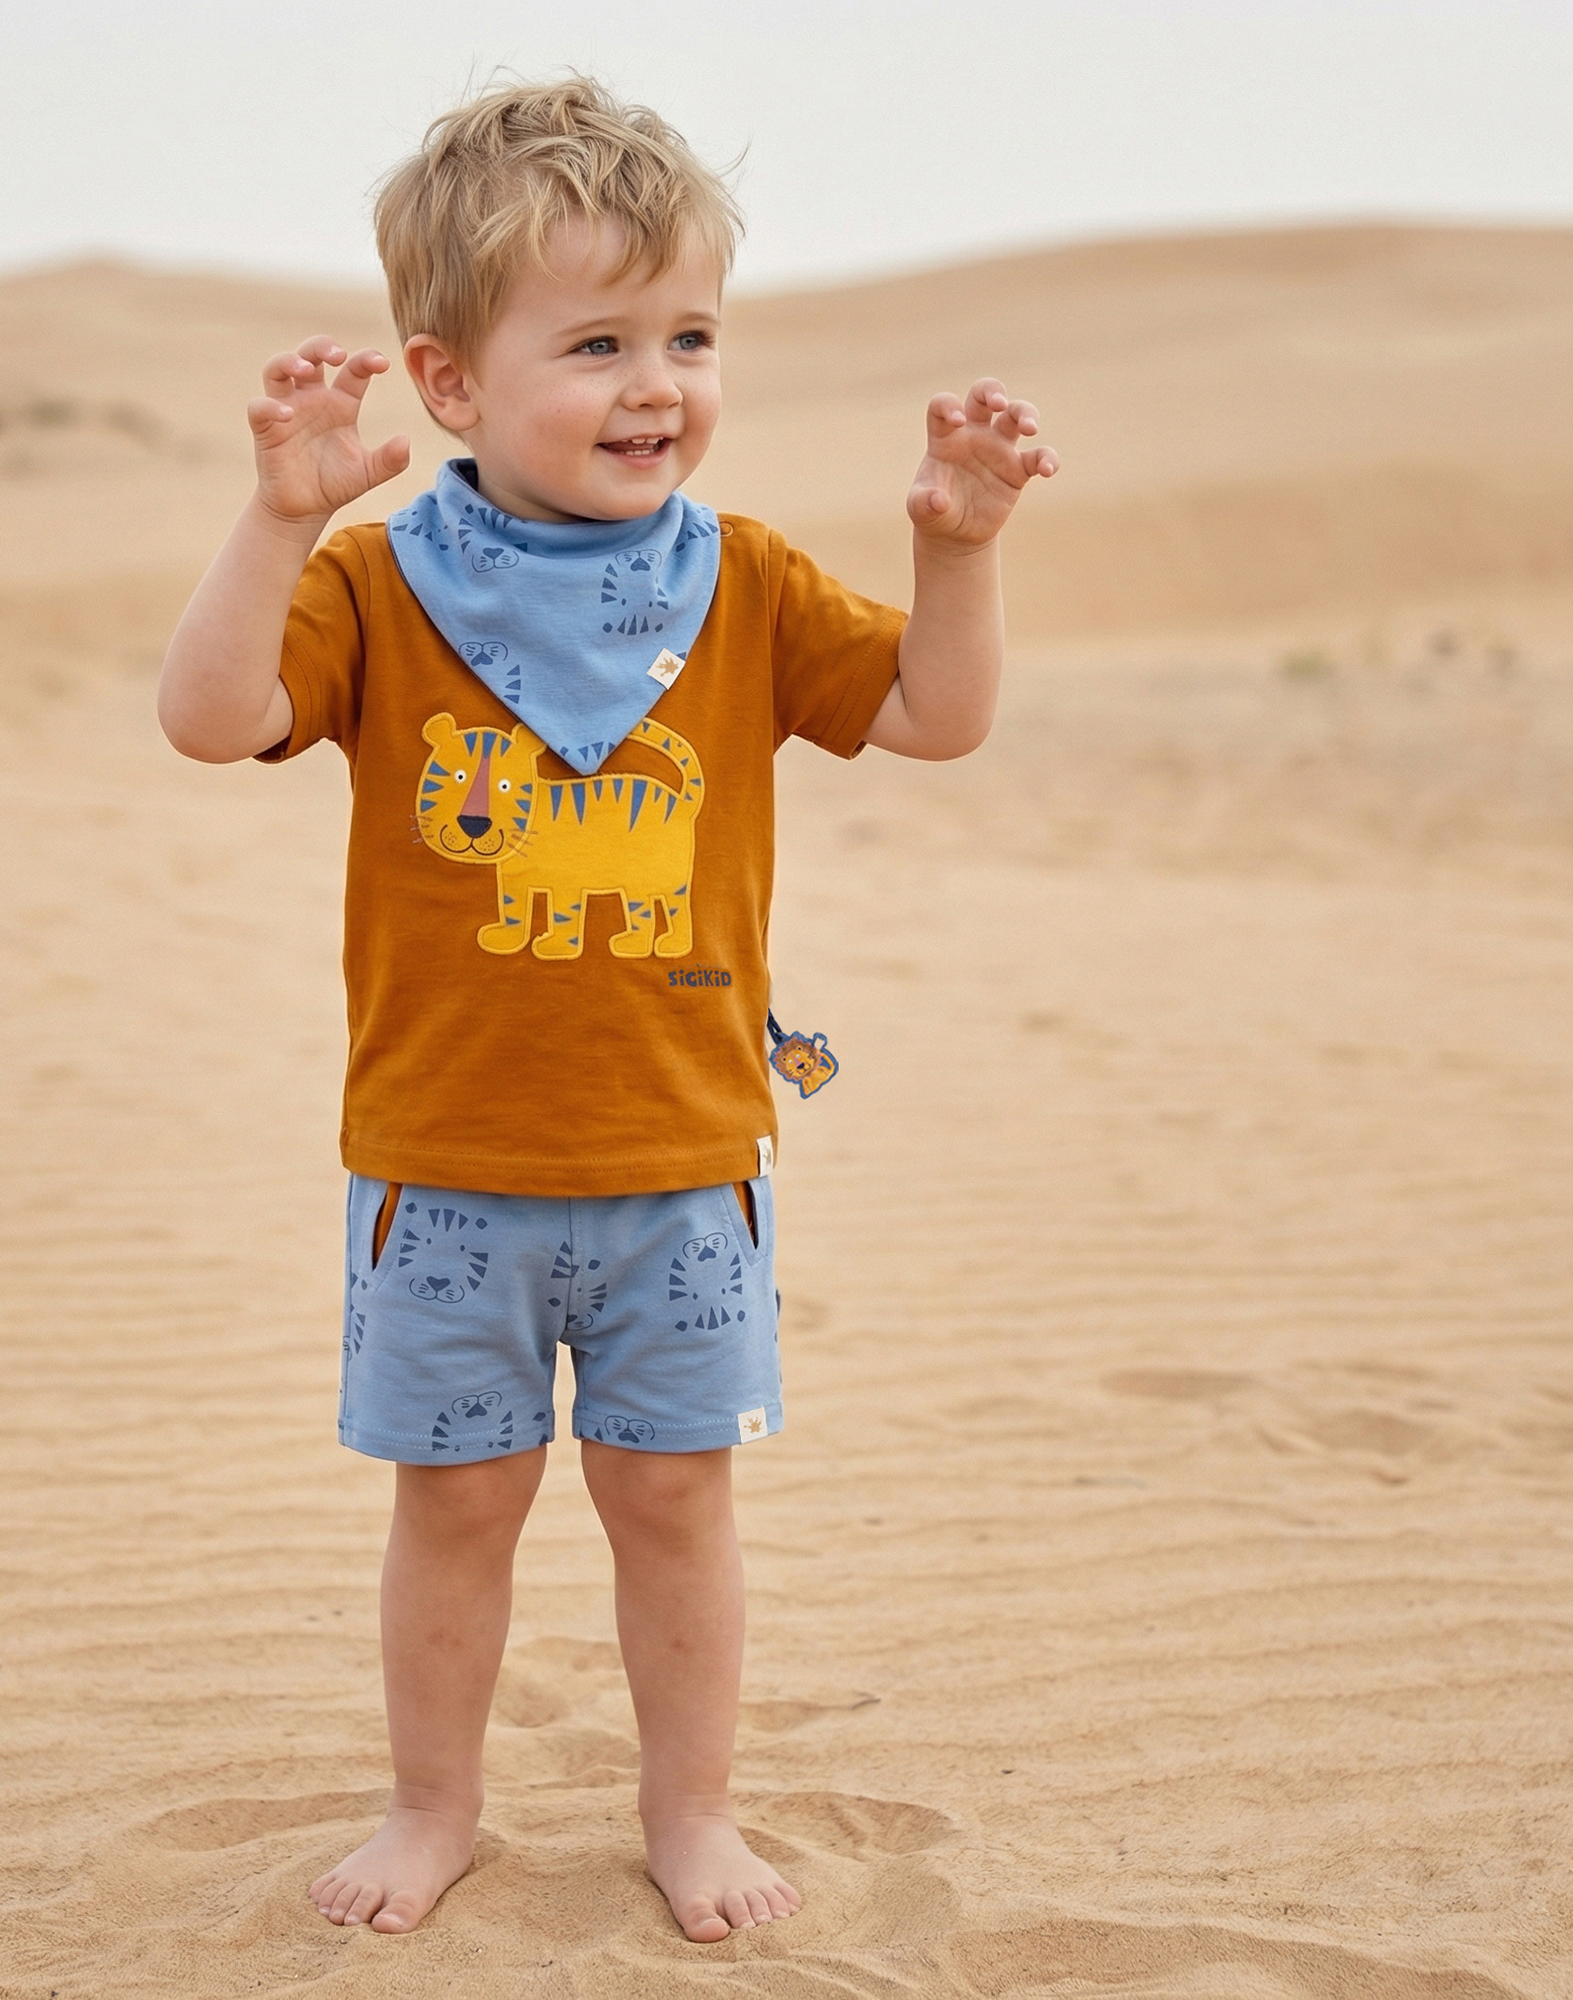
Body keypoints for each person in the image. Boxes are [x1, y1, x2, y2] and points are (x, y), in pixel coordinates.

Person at [157, 76, 1056, 1944]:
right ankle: (434, 1806)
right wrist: (272, 519)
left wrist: (957, 555)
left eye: (689, 335)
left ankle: (691, 1813)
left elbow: (936, 720)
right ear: (451, 382)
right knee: (459, 1512)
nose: (658, 382)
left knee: (674, 1507)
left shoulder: (739, 583)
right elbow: (209, 715)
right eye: (597, 342)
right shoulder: (380, 582)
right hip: (442, 1172)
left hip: (681, 1167)